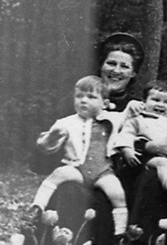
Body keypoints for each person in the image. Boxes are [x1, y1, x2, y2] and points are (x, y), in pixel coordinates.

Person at [32, 76, 129, 236]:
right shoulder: (65, 123)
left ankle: (120, 232)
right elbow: (46, 146)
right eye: (79, 96)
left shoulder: (112, 119)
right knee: (58, 175)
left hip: (103, 171)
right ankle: (37, 207)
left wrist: (134, 105)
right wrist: (51, 138)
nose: (84, 101)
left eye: (91, 97)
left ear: (104, 103)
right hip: (76, 167)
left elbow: (128, 116)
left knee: (117, 193)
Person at [98, 33, 144, 112]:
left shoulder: (137, 108)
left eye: (124, 66)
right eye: (111, 63)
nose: (116, 70)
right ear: (101, 65)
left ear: (133, 73)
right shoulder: (81, 99)